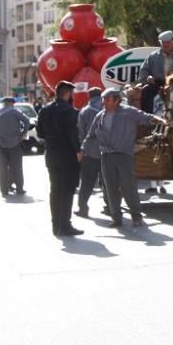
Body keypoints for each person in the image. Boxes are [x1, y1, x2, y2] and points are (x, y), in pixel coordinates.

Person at [82, 87, 161, 228]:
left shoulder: (128, 112)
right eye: (103, 99)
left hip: (124, 155)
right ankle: (116, 218)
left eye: (107, 99)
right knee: (110, 188)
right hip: (106, 157)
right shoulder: (100, 116)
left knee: (128, 187)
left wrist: (161, 120)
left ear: (116, 100)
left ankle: (136, 216)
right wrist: (83, 151)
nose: (103, 102)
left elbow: (145, 117)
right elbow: (90, 136)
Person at [36, 81, 84, 237]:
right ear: (67, 94)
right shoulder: (69, 111)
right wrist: (78, 151)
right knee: (68, 190)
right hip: (67, 155)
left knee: (55, 190)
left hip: (51, 154)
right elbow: (73, 133)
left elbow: (40, 132)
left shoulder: (44, 110)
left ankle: (55, 225)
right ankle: (65, 225)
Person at [138, 30, 173, 114]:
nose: (166, 44)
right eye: (163, 42)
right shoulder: (152, 56)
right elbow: (143, 71)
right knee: (145, 92)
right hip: (156, 84)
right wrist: (148, 77)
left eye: (168, 42)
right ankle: (148, 119)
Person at [75, 87, 110, 218]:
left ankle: (83, 208)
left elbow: (81, 134)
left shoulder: (84, 112)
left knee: (87, 182)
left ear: (88, 97)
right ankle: (111, 208)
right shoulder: (107, 109)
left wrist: (81, 149)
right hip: (107, 151)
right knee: (108, 181)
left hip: (90, 152)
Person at [0, 96, 31, 197]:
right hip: (14, 143)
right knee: (17, 166)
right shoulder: (15, 112)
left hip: (1, 144)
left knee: (2, 168)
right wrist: (23, 133)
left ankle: (4, 190)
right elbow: (27, 121)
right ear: (11, 103)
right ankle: (19, 188)